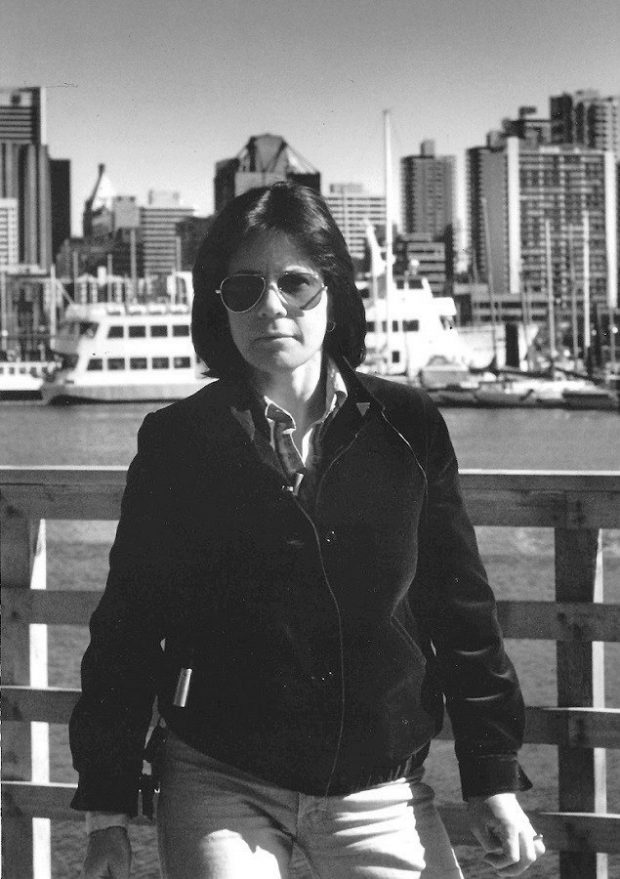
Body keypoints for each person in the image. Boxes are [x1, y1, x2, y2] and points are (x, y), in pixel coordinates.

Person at [70, 182, 546, 879]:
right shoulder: (177, 442)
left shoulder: (409, 428)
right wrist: (108, 809)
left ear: (335, 293)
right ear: (218, 305)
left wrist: (493, 776)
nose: (271, 306)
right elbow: (127, 627)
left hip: (380, 785)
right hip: (219, 776)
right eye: (244, 288)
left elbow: (461, 611)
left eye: (296, 283)